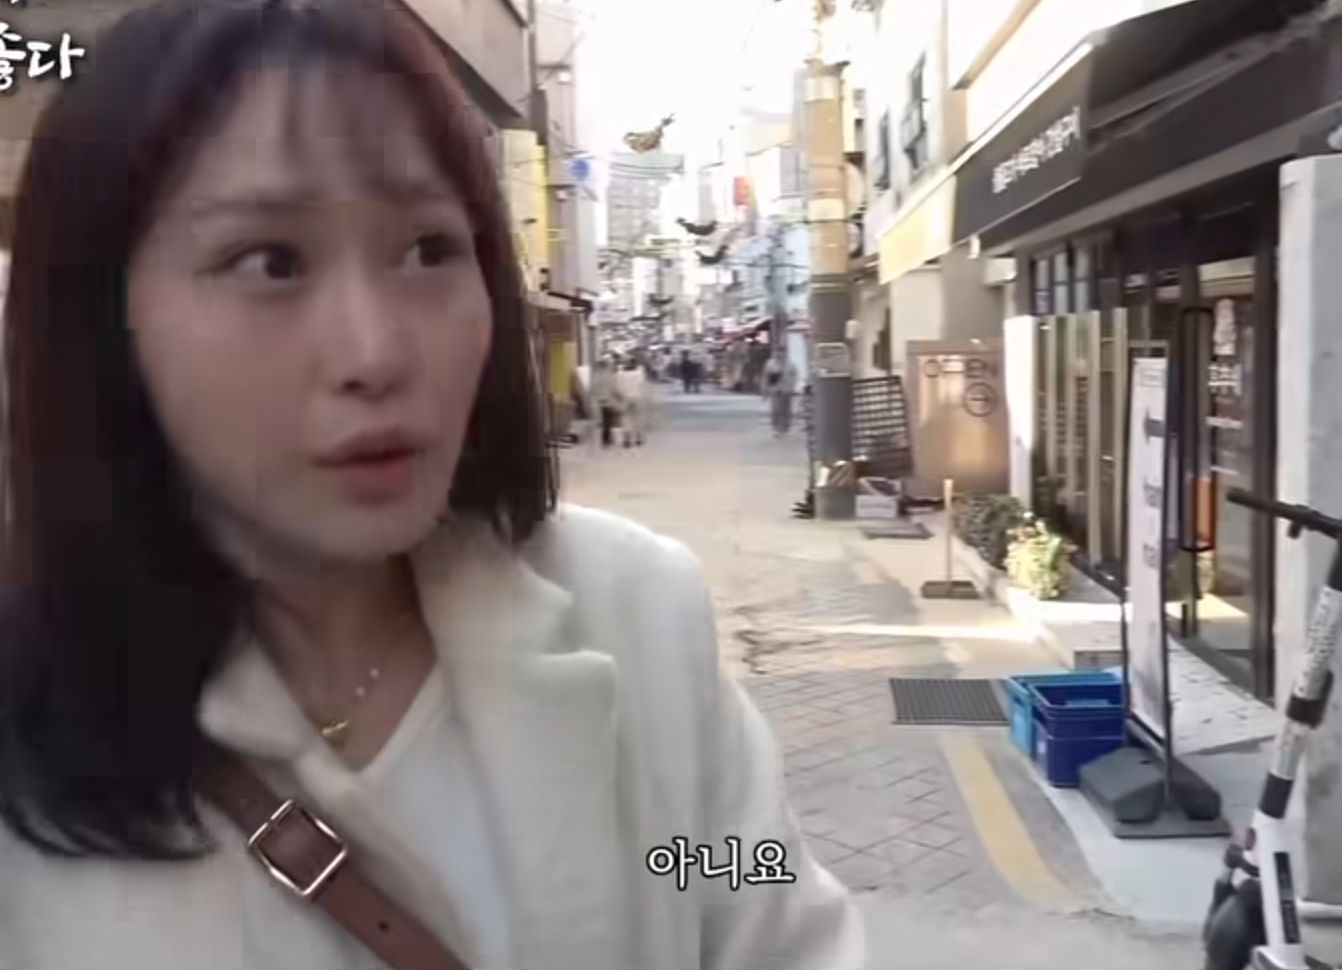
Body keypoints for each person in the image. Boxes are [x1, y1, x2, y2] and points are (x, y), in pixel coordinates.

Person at [0, 2, 864, 968]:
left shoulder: (637, 616)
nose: (376, 352)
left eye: (428, 251)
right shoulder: (31, 738)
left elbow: (750, 901)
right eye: (270, 262)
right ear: (102, 322)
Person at [764, 352, 800, 436]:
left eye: (780, 353)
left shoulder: (790, 364)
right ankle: (776, 427)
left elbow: (794, 376)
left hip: (786, 389)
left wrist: (791, 387)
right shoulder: (770, 364)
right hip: (775, 389)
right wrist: (765, 389)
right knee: (775, 409)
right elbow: (766, 377)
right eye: (777, 353)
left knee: (785, 409)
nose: (778, 355)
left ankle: (785, 427)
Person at [615, 355, 648, 447]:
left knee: (625, 418)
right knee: (638, 418)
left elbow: (618, 386)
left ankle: (627, 439)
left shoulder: (620, 373)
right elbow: (642, 382)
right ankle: (639, 438)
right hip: (637, 397)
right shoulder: (639, 372)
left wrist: (620, 395)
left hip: (625, 397)